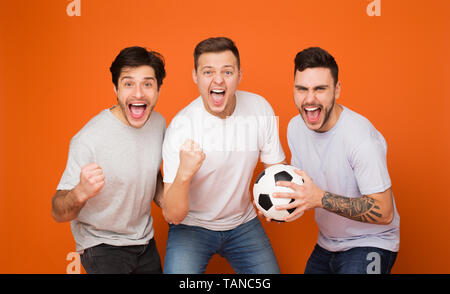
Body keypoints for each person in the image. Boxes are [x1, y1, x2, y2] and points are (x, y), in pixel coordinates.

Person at [161, 37, 286, 274]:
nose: (218, 79)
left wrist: (280, 204)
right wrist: (184, 174)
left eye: (227, 72)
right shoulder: (181, 127)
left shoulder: (260, 108)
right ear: (195, 77)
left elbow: (277, 172)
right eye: (208, 72)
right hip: (192, 226)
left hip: (243, 223)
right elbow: (173, 215)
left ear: (239, 75)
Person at [272, 47, 400, 274]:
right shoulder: (295, 127)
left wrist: (320, 198)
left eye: (320, 89)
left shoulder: (360, 137)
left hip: (371, 243)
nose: (309, 99)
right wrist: (278, 208)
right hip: (327, 243)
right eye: (302, 89)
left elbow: (384, 211)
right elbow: (305, 190)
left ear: (337, 90)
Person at [51, 46, 167, 274]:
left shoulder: (159, 124)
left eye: (147, 84)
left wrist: (172, 203)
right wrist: (80, 192)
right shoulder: (88, 139)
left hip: (144, 241)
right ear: (115, 87)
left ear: (158, 89)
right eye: (128, 83)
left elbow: (151, 173)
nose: (138, 94)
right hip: (101, 244)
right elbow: (57, 211)